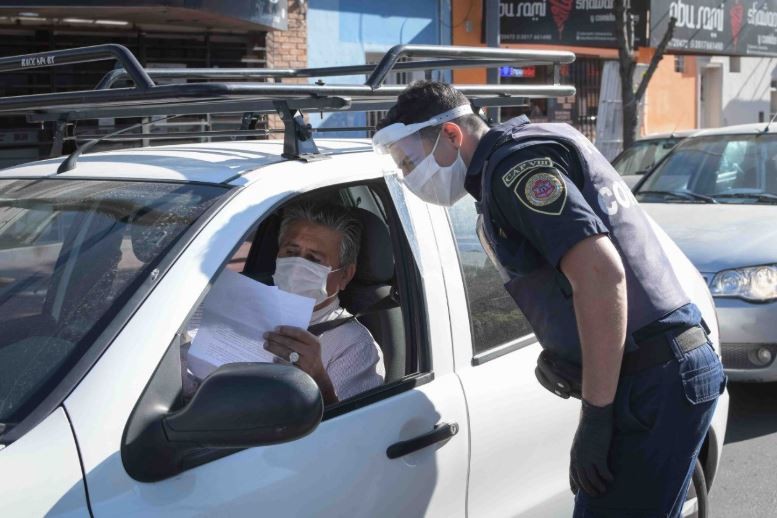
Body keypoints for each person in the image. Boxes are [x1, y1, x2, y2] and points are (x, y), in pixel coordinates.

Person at [373, 81, 725, 518]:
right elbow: (566, 275)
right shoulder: (532, 146)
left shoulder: (513, 169)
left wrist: (596, 418)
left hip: (653, 377)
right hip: (660, 366)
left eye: (410, 161)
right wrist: (565, 348)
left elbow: (601, 274)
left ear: (450, 135)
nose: (409, 176)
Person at [184, 201, 385, 405]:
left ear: (345, 276)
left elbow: (349, 430)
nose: (297, 266)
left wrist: (317, 378)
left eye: (313, 259)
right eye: (291, 252)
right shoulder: (226, 304)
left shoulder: (353, 345)